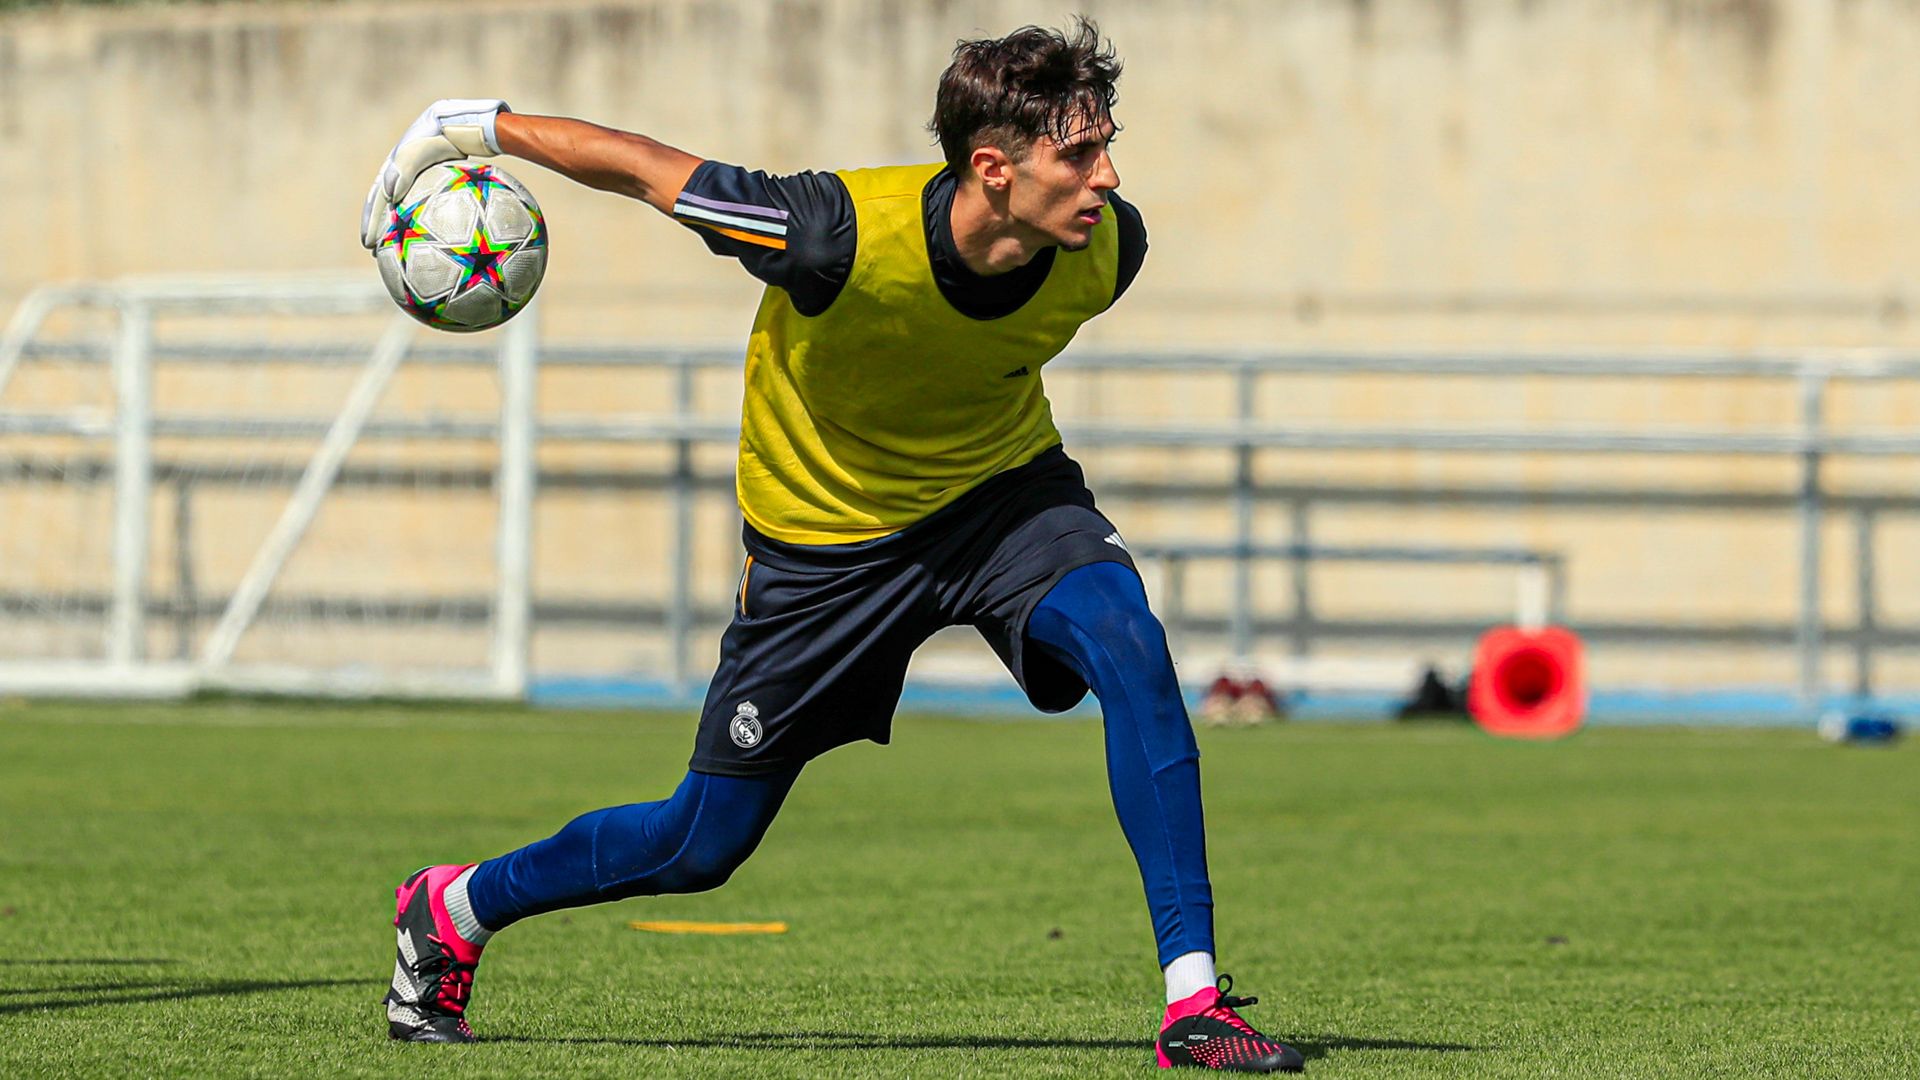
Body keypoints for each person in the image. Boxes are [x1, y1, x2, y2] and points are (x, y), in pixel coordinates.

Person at [359, 18, 1304, 1073]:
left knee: (1132, 645)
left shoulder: (1111, 248)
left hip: (1001, 502)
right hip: (826, 549)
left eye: (1106, 144)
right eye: (1079, 154)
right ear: (991, 169)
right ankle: (453, 908)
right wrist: (468, 127)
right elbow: (638, 168)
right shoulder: (826, 232)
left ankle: (1195, 1003)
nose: (1108, 175)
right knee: (700, 843)